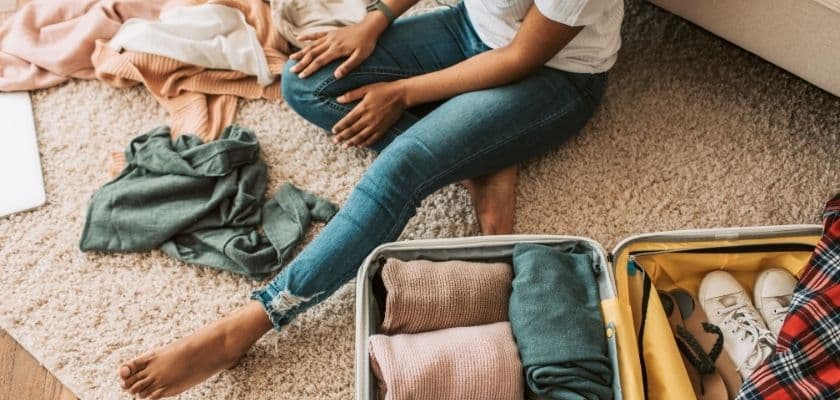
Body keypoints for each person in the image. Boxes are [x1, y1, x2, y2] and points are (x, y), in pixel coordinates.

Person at [117, 0, 623, 397]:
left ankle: (250, 323)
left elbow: (521, 56)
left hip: (553, 76)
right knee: (306, 83)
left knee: (403, 163)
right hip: (469, 30)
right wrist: (376, 19)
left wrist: (403, 93)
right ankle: (486, 152)